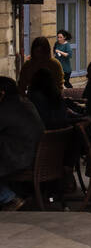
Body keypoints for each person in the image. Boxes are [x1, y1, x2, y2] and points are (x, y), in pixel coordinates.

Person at [0, 76, 45, 211]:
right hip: (32, 155)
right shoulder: (25, 103)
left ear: (2, 93)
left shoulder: (7, 108)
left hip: (20, 158)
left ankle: (9, 198)